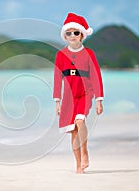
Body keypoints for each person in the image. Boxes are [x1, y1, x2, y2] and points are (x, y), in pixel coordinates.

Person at [53, 13, 104, 174]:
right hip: (68, 98)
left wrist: (99, 99)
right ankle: (78, 166)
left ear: (82, 34)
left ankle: (85, 152)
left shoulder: (89, 53)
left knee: (80, 121)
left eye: (76, 32)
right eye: (69, 33)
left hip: (85, 94)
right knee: (73, 130)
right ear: (65, 35)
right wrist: (57, 101)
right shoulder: (60, 55)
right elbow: (57, 79)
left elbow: (96, 76)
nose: (72, 36)